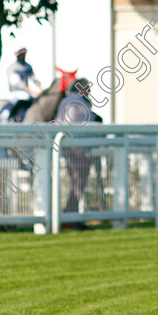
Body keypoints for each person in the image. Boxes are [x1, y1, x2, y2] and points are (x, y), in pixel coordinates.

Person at [56, 78, 102, 226]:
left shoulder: (67, 100)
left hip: (68, 147)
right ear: (82, 89)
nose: (89, 92)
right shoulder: (78, 102)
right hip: (77, 149)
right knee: (78, 182)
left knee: (77, 182)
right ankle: (70, 217)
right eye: (87, 89)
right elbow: (82, 125)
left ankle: (71, 215)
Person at [5, 47, 43, 121]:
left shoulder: (27, 66)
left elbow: (33, 78)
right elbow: (18, 83)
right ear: (18, 55)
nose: (23, 56)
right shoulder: (13, 68)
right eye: (22, 54)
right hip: (16, 92)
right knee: (26, 97)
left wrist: (41, 87)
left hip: (26, 91)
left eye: (24, 54)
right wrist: (33, 91)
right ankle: (14, 117)